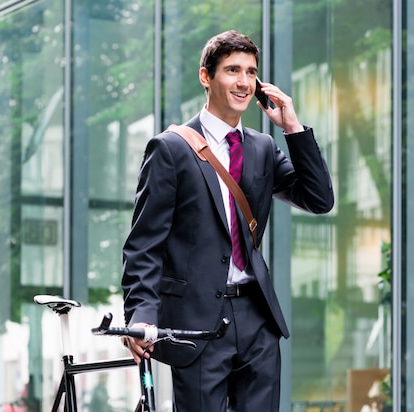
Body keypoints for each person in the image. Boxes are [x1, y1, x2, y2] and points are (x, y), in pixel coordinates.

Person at [121, 29, 334, 411]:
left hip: (257, 318)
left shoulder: (263, 148)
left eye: (251, 72)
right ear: (206, 77)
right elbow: (144, 243)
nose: (244, 82)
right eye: (232, 70)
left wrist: (292, 128)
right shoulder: (170, 149)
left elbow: (319, 199)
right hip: (197, 321)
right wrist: (140, 314)